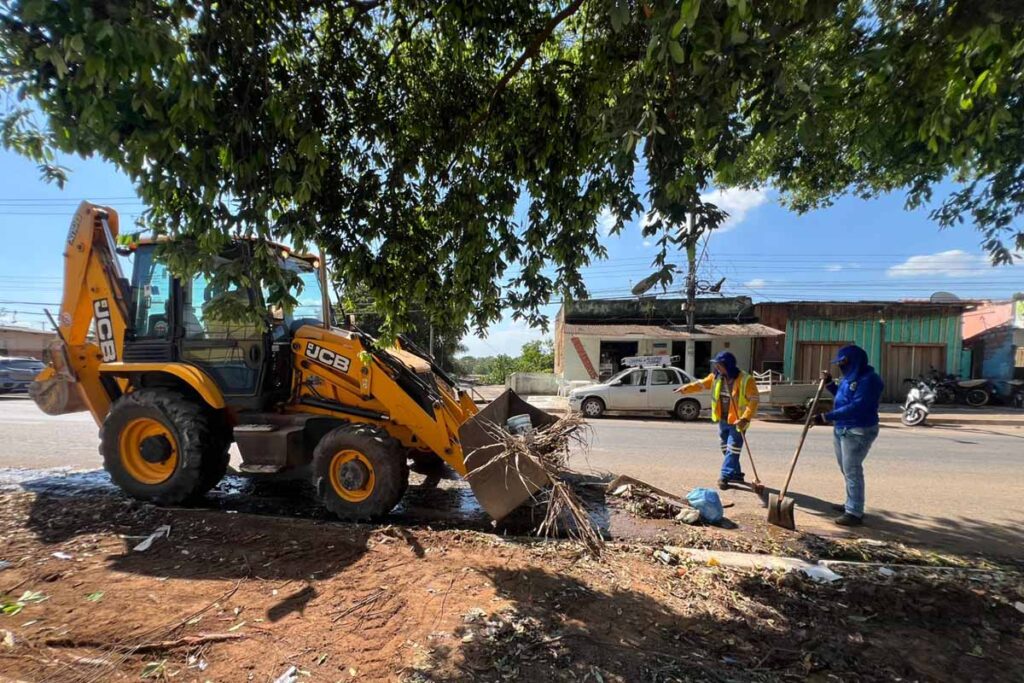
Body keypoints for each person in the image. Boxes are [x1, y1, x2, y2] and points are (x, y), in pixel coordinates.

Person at [813, 344, 884, 527]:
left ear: (855, 361)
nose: (841, 367)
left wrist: (827, 417)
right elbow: (842, 397)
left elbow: (857, 406)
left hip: (858, 429)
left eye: (843, 363)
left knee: (852, 470)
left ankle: (854, 512)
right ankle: (851, 503)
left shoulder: (869, 380)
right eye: (839, 364)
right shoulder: (849, 378)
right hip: (842, 427)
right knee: (846, 469)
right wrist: (830, 384)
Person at [676, 351, 760, 489]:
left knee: (733, 448)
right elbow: (701, 384)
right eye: (716, 365)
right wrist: (685, 389)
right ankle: (736, 474)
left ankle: (725, 476)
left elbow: (754, 400)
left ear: (728, 365)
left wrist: (745, 418)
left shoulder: (746, 380)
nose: (716, 367)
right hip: (723, 419)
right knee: (725, 448)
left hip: (738, 421)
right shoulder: (716, 377)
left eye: (719, 365)